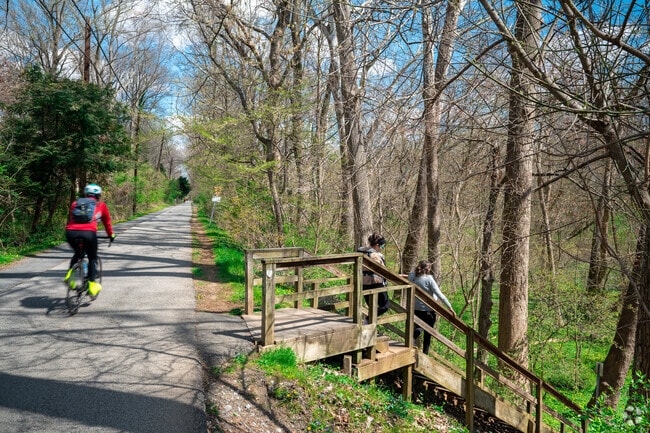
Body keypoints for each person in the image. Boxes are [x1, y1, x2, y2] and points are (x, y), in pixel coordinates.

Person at [64, 184, 115, 297]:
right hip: (88, 234)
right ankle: (92, 284)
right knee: (92, 257)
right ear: (98, 195)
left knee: (78, 253)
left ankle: (69, 275)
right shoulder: (101, 205)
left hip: (70, 233)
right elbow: (107, 223)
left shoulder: (75, 203)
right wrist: (111, 235)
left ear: (86, 194)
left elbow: (72, 218)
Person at [408, 260, 455, 354]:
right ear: (428, 269)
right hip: (427, 310)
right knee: (427, 333)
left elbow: (410, 278)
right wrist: (449, 307)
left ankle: (411, 340)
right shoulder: (429, 279)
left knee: (418, 326)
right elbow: (440, 294)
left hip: (415, 308)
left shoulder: (412, 276)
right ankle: (424, 354)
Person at [357, 232, 390, 317]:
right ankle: (368, 319)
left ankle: (368, 324)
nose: (382, 248)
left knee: (372, 307)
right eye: (382, 246)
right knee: (385, 306)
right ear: (377, 245)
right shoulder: (374, 255)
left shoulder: (362, 252)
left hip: (364, 283)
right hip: (376, 283)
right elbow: (383, 270)